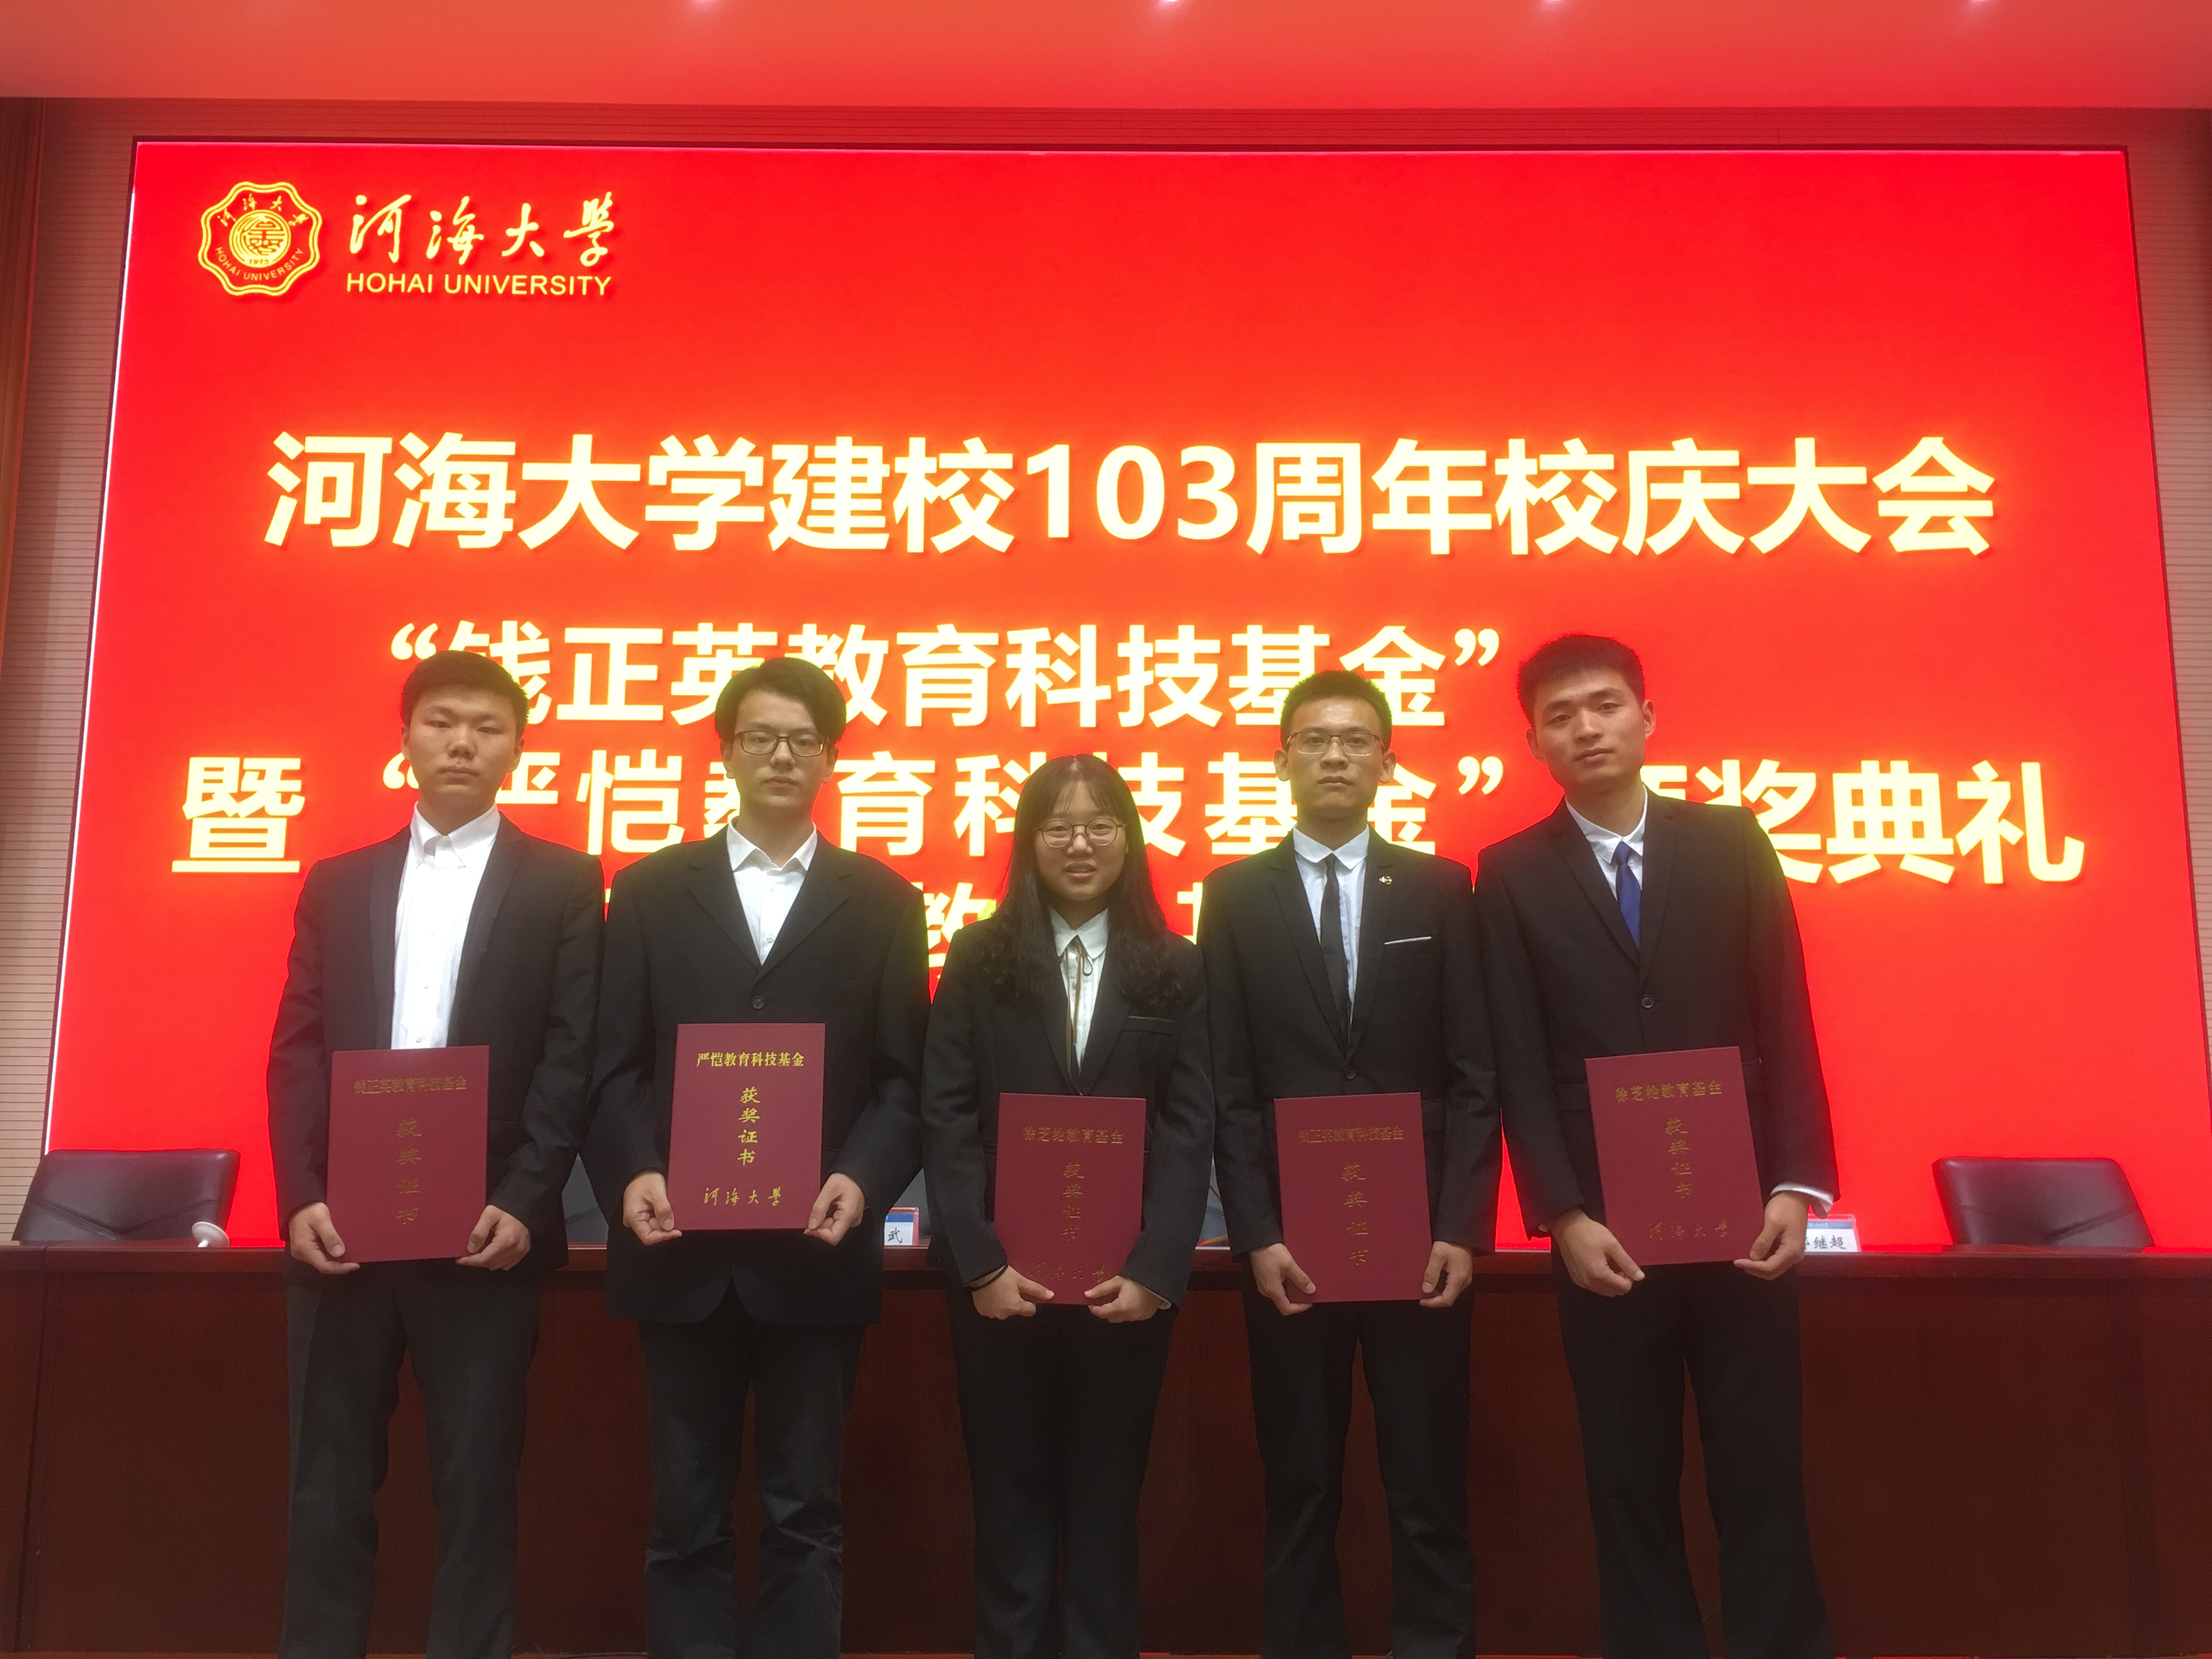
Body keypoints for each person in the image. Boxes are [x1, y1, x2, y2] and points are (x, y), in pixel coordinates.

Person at [1474, 634, 1836, 1658]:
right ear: (1534, 743)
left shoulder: (1731, 840)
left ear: (1646, 717)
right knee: (1626, 1474)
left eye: (1604, 705)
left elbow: (1785, 1012)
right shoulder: (1509, 874)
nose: (1585, 728)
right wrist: (1561, 1214)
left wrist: (1796, 1187)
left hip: (1744, 1216)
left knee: (1760, 1466)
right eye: (1560, 716)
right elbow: (1517, 1056)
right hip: (1605, 1232)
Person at [583, 654, 929, 1659]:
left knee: (804, 1512)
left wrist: (861, 1180)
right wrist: (634, 1171)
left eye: (802, 740)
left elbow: (905, 1078)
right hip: (679, 1251)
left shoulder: (885, 900)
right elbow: (612, 1064)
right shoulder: (649, 891)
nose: (782, 755)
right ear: (728, 753)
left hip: (814, 1255)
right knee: (684, 1515)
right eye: (761, 737)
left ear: (830, 758)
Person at [266, 649, 603, 1659]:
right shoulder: (339, 881)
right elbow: (298, 1046)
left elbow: (572, 1054)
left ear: (518, 747)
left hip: (484, 1231)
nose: (463, 743)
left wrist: (528, 1196)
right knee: (327, 1484)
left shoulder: (564, 881)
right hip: (343, 1230)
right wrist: (302, 1195)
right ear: (406, 738)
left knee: (477, 1484)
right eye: (442, 722)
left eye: (487, 727)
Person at [1200, 669, 1498, 1659]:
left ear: (1387, 762)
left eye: (1357, 740)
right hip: (1291, 1247)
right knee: (1299, 1486)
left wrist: (1461, 1228)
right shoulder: (1233, 895)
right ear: (1281, 758)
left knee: (1428, 1484)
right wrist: (1256, 1234)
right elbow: (1229, 1083)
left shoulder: (1441, 887)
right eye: (1316, 739)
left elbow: (1472, 1073)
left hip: (1421, 1244)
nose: (1335, 755)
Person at [922, 754, 1214, 1659]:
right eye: (1058, 827)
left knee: (1106, 1503)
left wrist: (1157, 1267)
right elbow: (947, 1112)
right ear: (1029, 841)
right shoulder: (979, 957)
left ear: (1129, 838)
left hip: (1126, 1287)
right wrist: (980, 1262)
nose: (1079, 844)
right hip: (1001, 1282)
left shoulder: (1176, 965)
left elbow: (1191, 1123)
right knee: (1007, 1499)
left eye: (1099, 825)